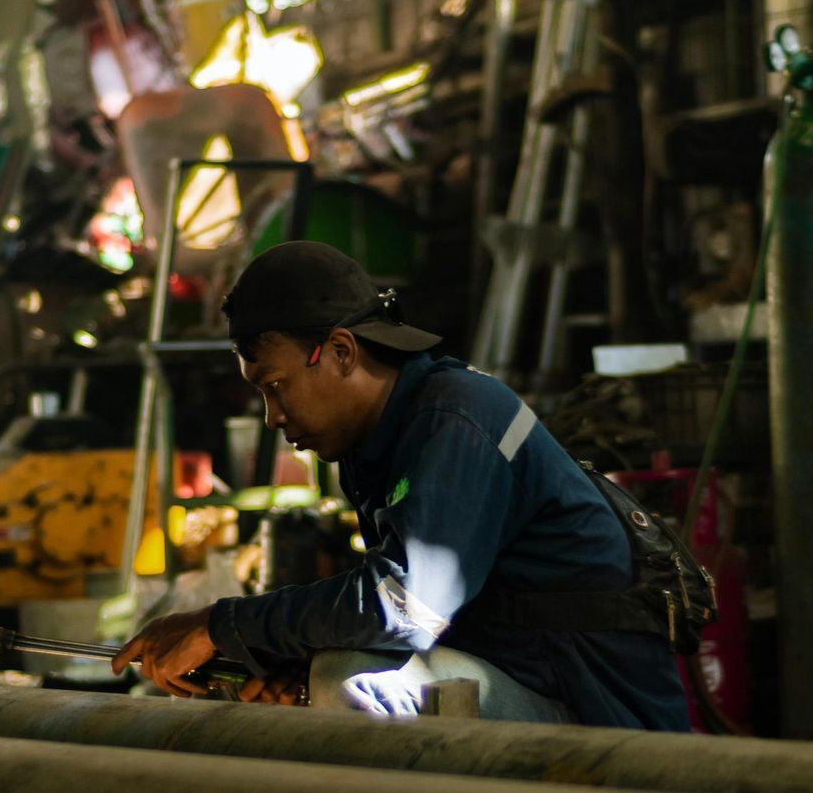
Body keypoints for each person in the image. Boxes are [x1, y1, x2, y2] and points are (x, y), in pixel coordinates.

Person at [113, 241, 690, 731]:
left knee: (352, 680)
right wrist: (289, 661)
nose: (273, 416)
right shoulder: (380, 442)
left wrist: (226, 625)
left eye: (276, 386)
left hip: (604, 723)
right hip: (530, 681)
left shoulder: (455, 419)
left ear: (340, 351)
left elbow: (406, 608)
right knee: (330, 672)